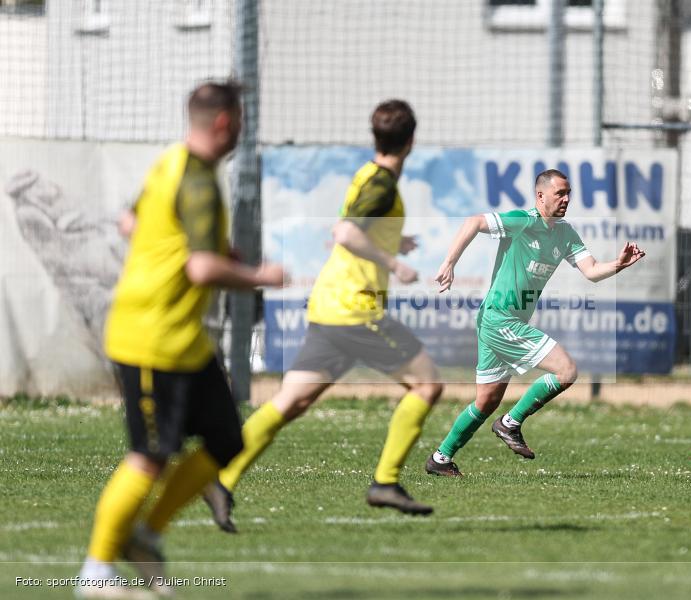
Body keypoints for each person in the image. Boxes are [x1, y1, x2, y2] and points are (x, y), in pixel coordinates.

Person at [76, 80, 287, 598]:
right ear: (223, 123)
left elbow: (131, 222)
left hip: (183, 339)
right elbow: (198, 268)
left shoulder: (170, 163)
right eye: (239, 120)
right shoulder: (196, 183)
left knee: (225, 440)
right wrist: (260, 275)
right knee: (149, 456)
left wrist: (217, 247)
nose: (242, 129)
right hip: (151, 337)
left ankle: (145, 536)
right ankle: (96, 573)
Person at [203, 99, 443, 530]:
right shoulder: (384, 183)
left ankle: (222, 479)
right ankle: (385, 482)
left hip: (330, 305)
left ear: (377, 137)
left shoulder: (366, 175)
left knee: (291, 402)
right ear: (410, 141)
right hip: (355, 309)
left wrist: (394, 241)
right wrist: (395, 265)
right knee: (427, 385)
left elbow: (357, 230)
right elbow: (346, 232)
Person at [425, 169, 645, 476]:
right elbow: (474, 221)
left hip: (496, 320)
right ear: (540, 196)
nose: (566, 199)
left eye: (569, 193)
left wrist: (618, 265)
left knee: (486, 401)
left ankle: (441, 458)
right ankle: (510, 423)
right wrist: (449, 262)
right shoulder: (523, 221)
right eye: (560, 193)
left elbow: (592, 270)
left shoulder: (564, 233)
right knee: (567, 370)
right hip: (500, 319)